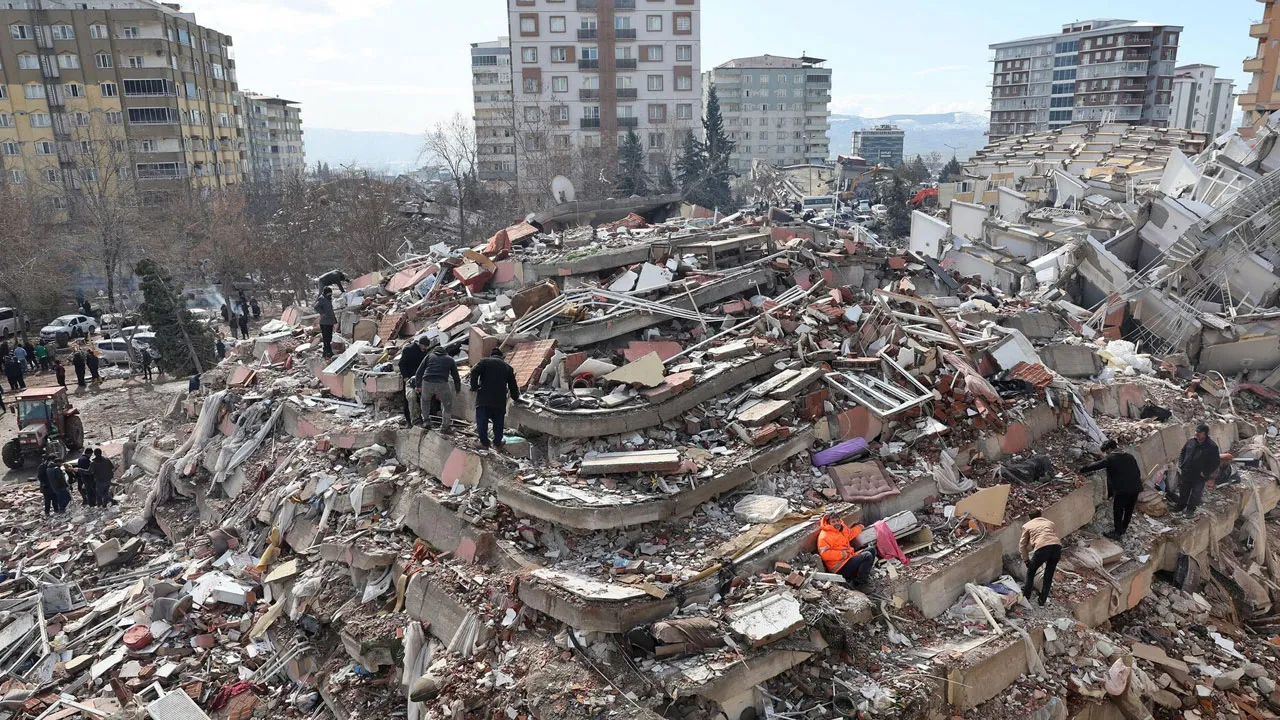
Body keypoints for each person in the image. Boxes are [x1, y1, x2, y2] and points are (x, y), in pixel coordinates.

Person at [1080, 439, 1143, 540]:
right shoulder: (1130, 456)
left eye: (1106, 451)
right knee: (1129, 509)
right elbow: (1138, 472)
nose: (1106, 454)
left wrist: (1082, 469)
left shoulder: (1111, 458)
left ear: (1109, 449)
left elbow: (1096, 466)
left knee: (1118, 510)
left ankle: (1117, 532)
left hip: (1123, 490)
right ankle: (1124, 528)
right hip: (1135, 488)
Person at [469, 348, 520, 450]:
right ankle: (497, 443)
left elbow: (473, 371)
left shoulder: (484, 361)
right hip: (499, 400)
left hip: (484, 398)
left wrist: (474, 387)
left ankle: (484, 443)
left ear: (491, 355)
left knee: (482, 421)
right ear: (502, 357)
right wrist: (516, 397)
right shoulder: (507, 367)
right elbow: (513, 386)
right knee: (498, 422)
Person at [1171, 424, 1220, 517]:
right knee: (1184, 490)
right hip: (1187, 471)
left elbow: (1215, 462)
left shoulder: (1212, 446)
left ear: (1205, 434)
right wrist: (1181, 464)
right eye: (1196, 431)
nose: (1196, 433)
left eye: (1199, 432)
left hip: (1199, 475)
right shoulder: (1191, 441)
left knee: (1196, 493)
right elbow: (1183, 452)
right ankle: (1180, 506)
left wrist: (1205, 472)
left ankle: (1190, 510)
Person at [817, 512, 875, 586]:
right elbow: (824, 555)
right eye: (833, 522)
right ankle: (860, 584)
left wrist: (860, 527)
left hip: (848, 559)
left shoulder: (841, 528)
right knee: (867, 556)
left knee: (871, 550)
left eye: (837, 520)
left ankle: (858, 576)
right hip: (839, 567)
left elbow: (850, 534)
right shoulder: (824, 536)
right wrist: (842, 554)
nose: (836, 523)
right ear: (828, 523)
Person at [1020, 510, 1062, 606]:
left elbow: (1022, 545)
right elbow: (1055, 536)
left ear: (1030, 518)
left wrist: (1026, 560)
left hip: (1042, 549)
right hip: (1056, 548)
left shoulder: (1027, 526)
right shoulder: (1050, 523)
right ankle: (1042, 601)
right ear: (1040, 515)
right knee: (1049, 575)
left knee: (1031, 572)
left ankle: (1026, 596)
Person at [415, 345, 461, 432]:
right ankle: (445, 427)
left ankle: (426, 422)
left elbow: (419, 372)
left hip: (427, 382)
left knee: (425, 401)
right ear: (445, 352)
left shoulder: (429, 356)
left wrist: (418, 386)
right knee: (447, 405)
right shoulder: (449, 359)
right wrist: (458, 391)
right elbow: (456, 377)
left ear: (434, 352)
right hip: (442, 383)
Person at [398, 337, 428, 426]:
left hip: (419, 379)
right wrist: (405, 376)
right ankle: (409, 420)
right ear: (421, 344)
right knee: (409, 399)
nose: (425, 348)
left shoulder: (422, 352)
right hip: (409, 378)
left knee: (419, 399)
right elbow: (401, 364)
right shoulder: (408, 349)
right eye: (424, 346)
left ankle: (419, 419)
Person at [314, 287, 337, 359]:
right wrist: (322, 313)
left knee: (329, 338)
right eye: (329, 294)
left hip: (330, 321)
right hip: (324, 322)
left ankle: (325, 352)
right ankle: (329, 352)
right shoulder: (321, 299)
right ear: (326, 293)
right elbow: (316, 307)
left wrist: (334, 321)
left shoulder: (328, 299)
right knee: (326, 338)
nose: (330, 295)